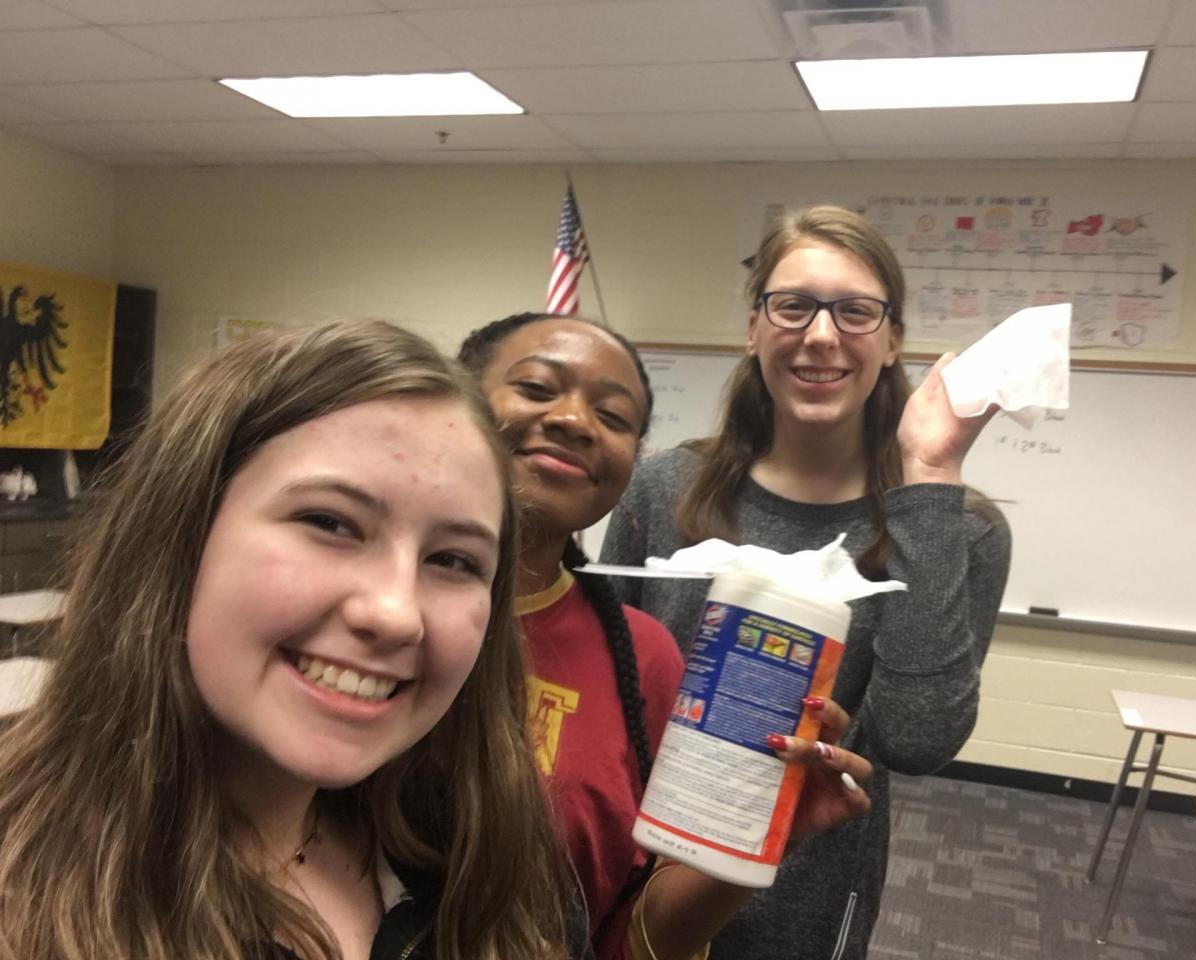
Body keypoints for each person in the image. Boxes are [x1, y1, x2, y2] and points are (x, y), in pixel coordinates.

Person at [0, 320, 586, 960]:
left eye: (453, 560)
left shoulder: (482, 865)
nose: (395, 614)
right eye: (329, 522)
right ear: (179, 535)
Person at [600, 206, 1012, 960]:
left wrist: (930, 479)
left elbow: (915, 740)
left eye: (855, 312)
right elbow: (605, 693)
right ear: (754, 329)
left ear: (892, 341)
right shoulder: (661, 492)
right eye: (793, 306)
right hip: (628, 874)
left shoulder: (955, 528)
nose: (821, 335)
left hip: (805, 903)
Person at [459, 313, 873, 960]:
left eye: (614, 417)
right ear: (456, 401)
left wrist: (757, 841)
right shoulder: (378, 619)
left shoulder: (643, 657)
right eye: (537, 388)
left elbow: (634, 936)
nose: (575, 420)